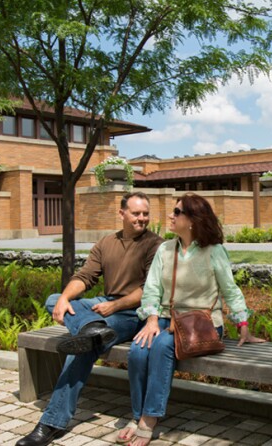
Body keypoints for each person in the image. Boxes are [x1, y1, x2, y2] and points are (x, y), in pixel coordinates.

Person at [17, 191, 163, 446]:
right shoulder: (106, 243)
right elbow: (84, 277)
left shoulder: (155, 244)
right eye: (136, 213)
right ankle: (90, 329)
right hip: (104, 307)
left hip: (132, 313)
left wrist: (115, 305)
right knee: (54, 299)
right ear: (122, 213)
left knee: (84, 348)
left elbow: (150, 290)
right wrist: (64, 299)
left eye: (145, 214)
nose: (142, 219)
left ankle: (51, 423)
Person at [118, 193, 265, 446]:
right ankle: (138, 413)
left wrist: (243, 325)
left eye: (177, 212)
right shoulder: (165, 248)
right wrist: (152, 320)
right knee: (138, 350)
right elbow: (152, 289)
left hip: (203, 324)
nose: (171, 216)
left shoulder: (214, 251)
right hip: (165, 318)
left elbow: (230, 290)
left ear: (193, 220)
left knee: (163, 345)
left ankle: (149, 419)